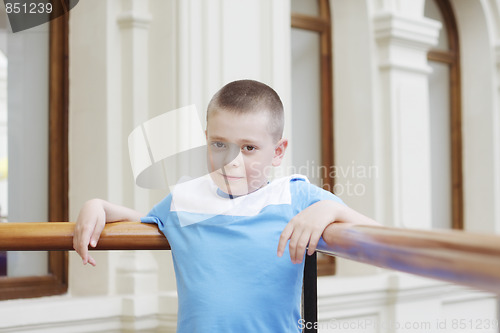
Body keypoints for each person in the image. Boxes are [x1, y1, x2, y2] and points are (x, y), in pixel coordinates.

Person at [73, 79, 379, 332]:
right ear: (206, 140)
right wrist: (97, 205)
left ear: (278, 151)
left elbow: (380, 237)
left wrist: (332, 210)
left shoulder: (295, 196)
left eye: (248, 148)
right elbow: (145, 223)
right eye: (219, 144)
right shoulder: (183, 200)